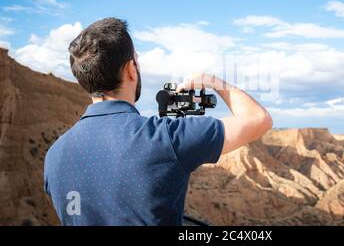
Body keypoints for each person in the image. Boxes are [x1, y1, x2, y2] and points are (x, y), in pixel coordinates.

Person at [44, 17, 272, 225]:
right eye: (137, 60)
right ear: (131, 70)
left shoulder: (54, 156)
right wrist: (212, 81)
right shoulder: (164, 138)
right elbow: (257, 119)